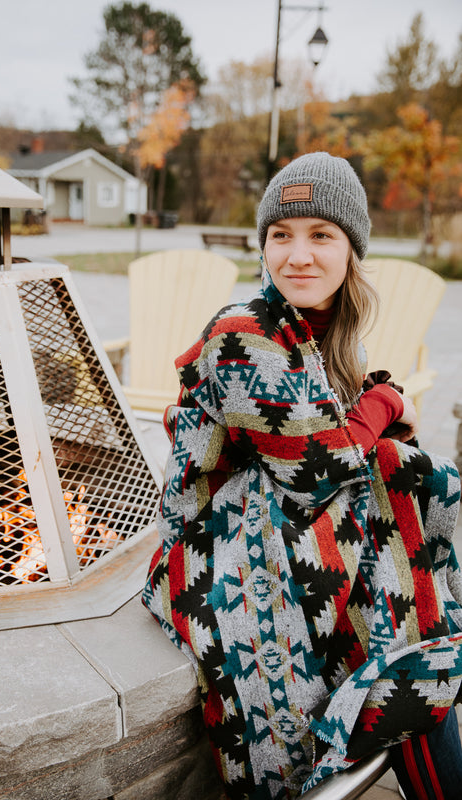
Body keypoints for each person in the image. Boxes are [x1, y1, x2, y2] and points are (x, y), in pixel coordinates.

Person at [142, 152, 462, 799]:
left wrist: (370, 408)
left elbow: (340, 454)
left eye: (321, 235)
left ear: (351, 250)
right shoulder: (240, 332)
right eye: (280, 235)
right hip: (218, 546)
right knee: (394, 493)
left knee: (398, 651)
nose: (297, 255)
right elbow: (317, 470)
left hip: (300, 535)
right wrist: (385, 401)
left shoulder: (339, 342)